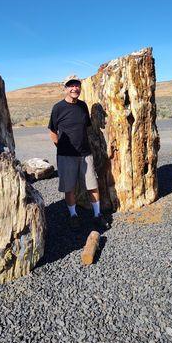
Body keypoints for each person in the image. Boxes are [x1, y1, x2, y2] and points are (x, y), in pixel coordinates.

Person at [48, 75, 109, 231]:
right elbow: (52, 131)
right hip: (66, 155)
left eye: (77, 85)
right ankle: (73, 215)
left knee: (92, 185)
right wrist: (61, 147)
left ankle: (97, 215)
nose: (74, 88)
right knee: (70, 187)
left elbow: (86, 127)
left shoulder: (83, 106)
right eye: (71, 86)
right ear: (65, 88)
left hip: (85, 154)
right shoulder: (58, 108)